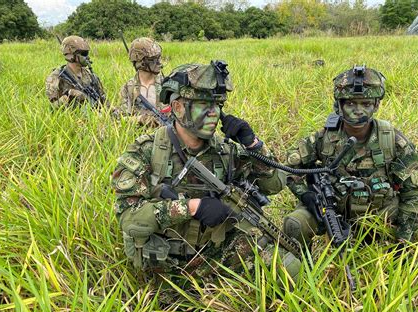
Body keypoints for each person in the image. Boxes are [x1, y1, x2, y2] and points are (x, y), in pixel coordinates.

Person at [112, 62, 301, 284]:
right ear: (178, 107)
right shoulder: (148, 151)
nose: (214, 114)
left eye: (218, 105)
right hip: (166, 262)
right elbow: (128, 218)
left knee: (290, 270)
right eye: (204, 105)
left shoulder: (224, 150)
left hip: (215, 251)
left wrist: (253, 145)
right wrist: (192, 208)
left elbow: (275, 184)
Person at [284, 65, 418, 247]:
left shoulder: (392, 140)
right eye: (351, 103)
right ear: (339, 105)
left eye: (366, 104)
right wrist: (306, 195)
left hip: (380, 214)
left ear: (376, 105)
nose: (358, 110)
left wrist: (403, 241)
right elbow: (290, 167)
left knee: (415, 221)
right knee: (295, 224)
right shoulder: (324, 137)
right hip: (332, 210)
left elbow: (414, 193)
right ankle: (305, 266)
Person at [117, 37, 169, 128]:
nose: (159, 63)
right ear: (141, 62)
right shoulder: (128, 88)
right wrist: (141, 119)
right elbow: (121, 119)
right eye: (154, 59)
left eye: (159, 58)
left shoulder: (167, 84)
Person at [45, 35, 107, 108]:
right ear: (71, 55)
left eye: (87, 53)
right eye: (83, 54)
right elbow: (52, 106)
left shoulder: (90, 75)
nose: (87, 57)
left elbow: (104, 100)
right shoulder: (56, 76)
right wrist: (69, 95)